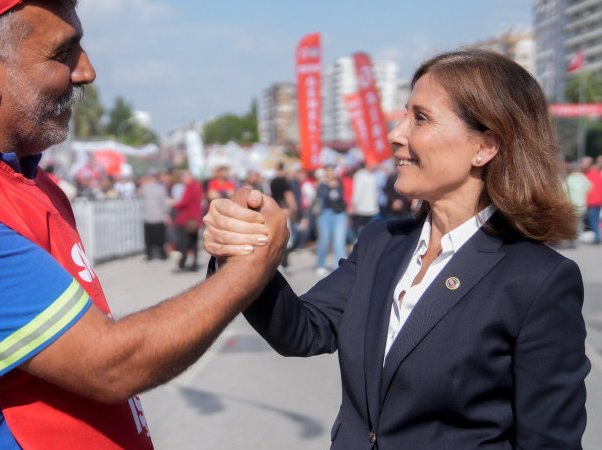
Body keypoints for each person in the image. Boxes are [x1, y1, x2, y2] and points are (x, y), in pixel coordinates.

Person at [0, 1, 288, 448]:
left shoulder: (22, 178)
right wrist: (247, 269)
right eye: (63, 52)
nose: (86, 71)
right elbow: (110, 364)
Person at [203, 49, 589, 448]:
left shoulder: (537, 279)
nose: (396, 134)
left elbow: (549, 440)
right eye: (406, 114)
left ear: (484, 146)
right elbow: (303, 330)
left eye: (420, 118)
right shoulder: (381, 242)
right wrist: (245, 250)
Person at [313, 165, 347, 276]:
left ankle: (339, 266)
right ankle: (320, 264)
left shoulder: (340, 183)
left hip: (339, 214)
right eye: (327, 171)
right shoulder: (322, 184)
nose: (330, 173)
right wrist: (326, 184)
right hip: (325, 214)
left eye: (331, 171)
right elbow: (319, 198)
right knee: (324, 240)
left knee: (339, 241)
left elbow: (344, 198)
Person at [171, 170, 204, 271]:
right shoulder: (197, 186)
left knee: (185, 241)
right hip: (195, 218)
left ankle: (183, 262)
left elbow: (184, 202)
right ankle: (193, 262)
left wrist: (173, 204)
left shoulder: (191, 187)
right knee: (193, 242)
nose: (182, 180)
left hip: (187, 218)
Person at [138, 169, 169, 260]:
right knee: (161, 237)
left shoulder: (145, 188)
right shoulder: (161, 188)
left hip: (148, 216)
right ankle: (162, 254)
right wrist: (166, 213)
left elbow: (138, 194)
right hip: (159, 217)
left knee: (149, 238)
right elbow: (164, 203)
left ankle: (149, 254)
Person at [582, 156, 602, 244]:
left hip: (593, 201)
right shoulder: (596, 172)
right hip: (597, 200)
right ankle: (597, 236)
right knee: (595, 220)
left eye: (584, 163)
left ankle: (597, 237)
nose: (582, 164)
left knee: (593, 220)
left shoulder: (589, 174)